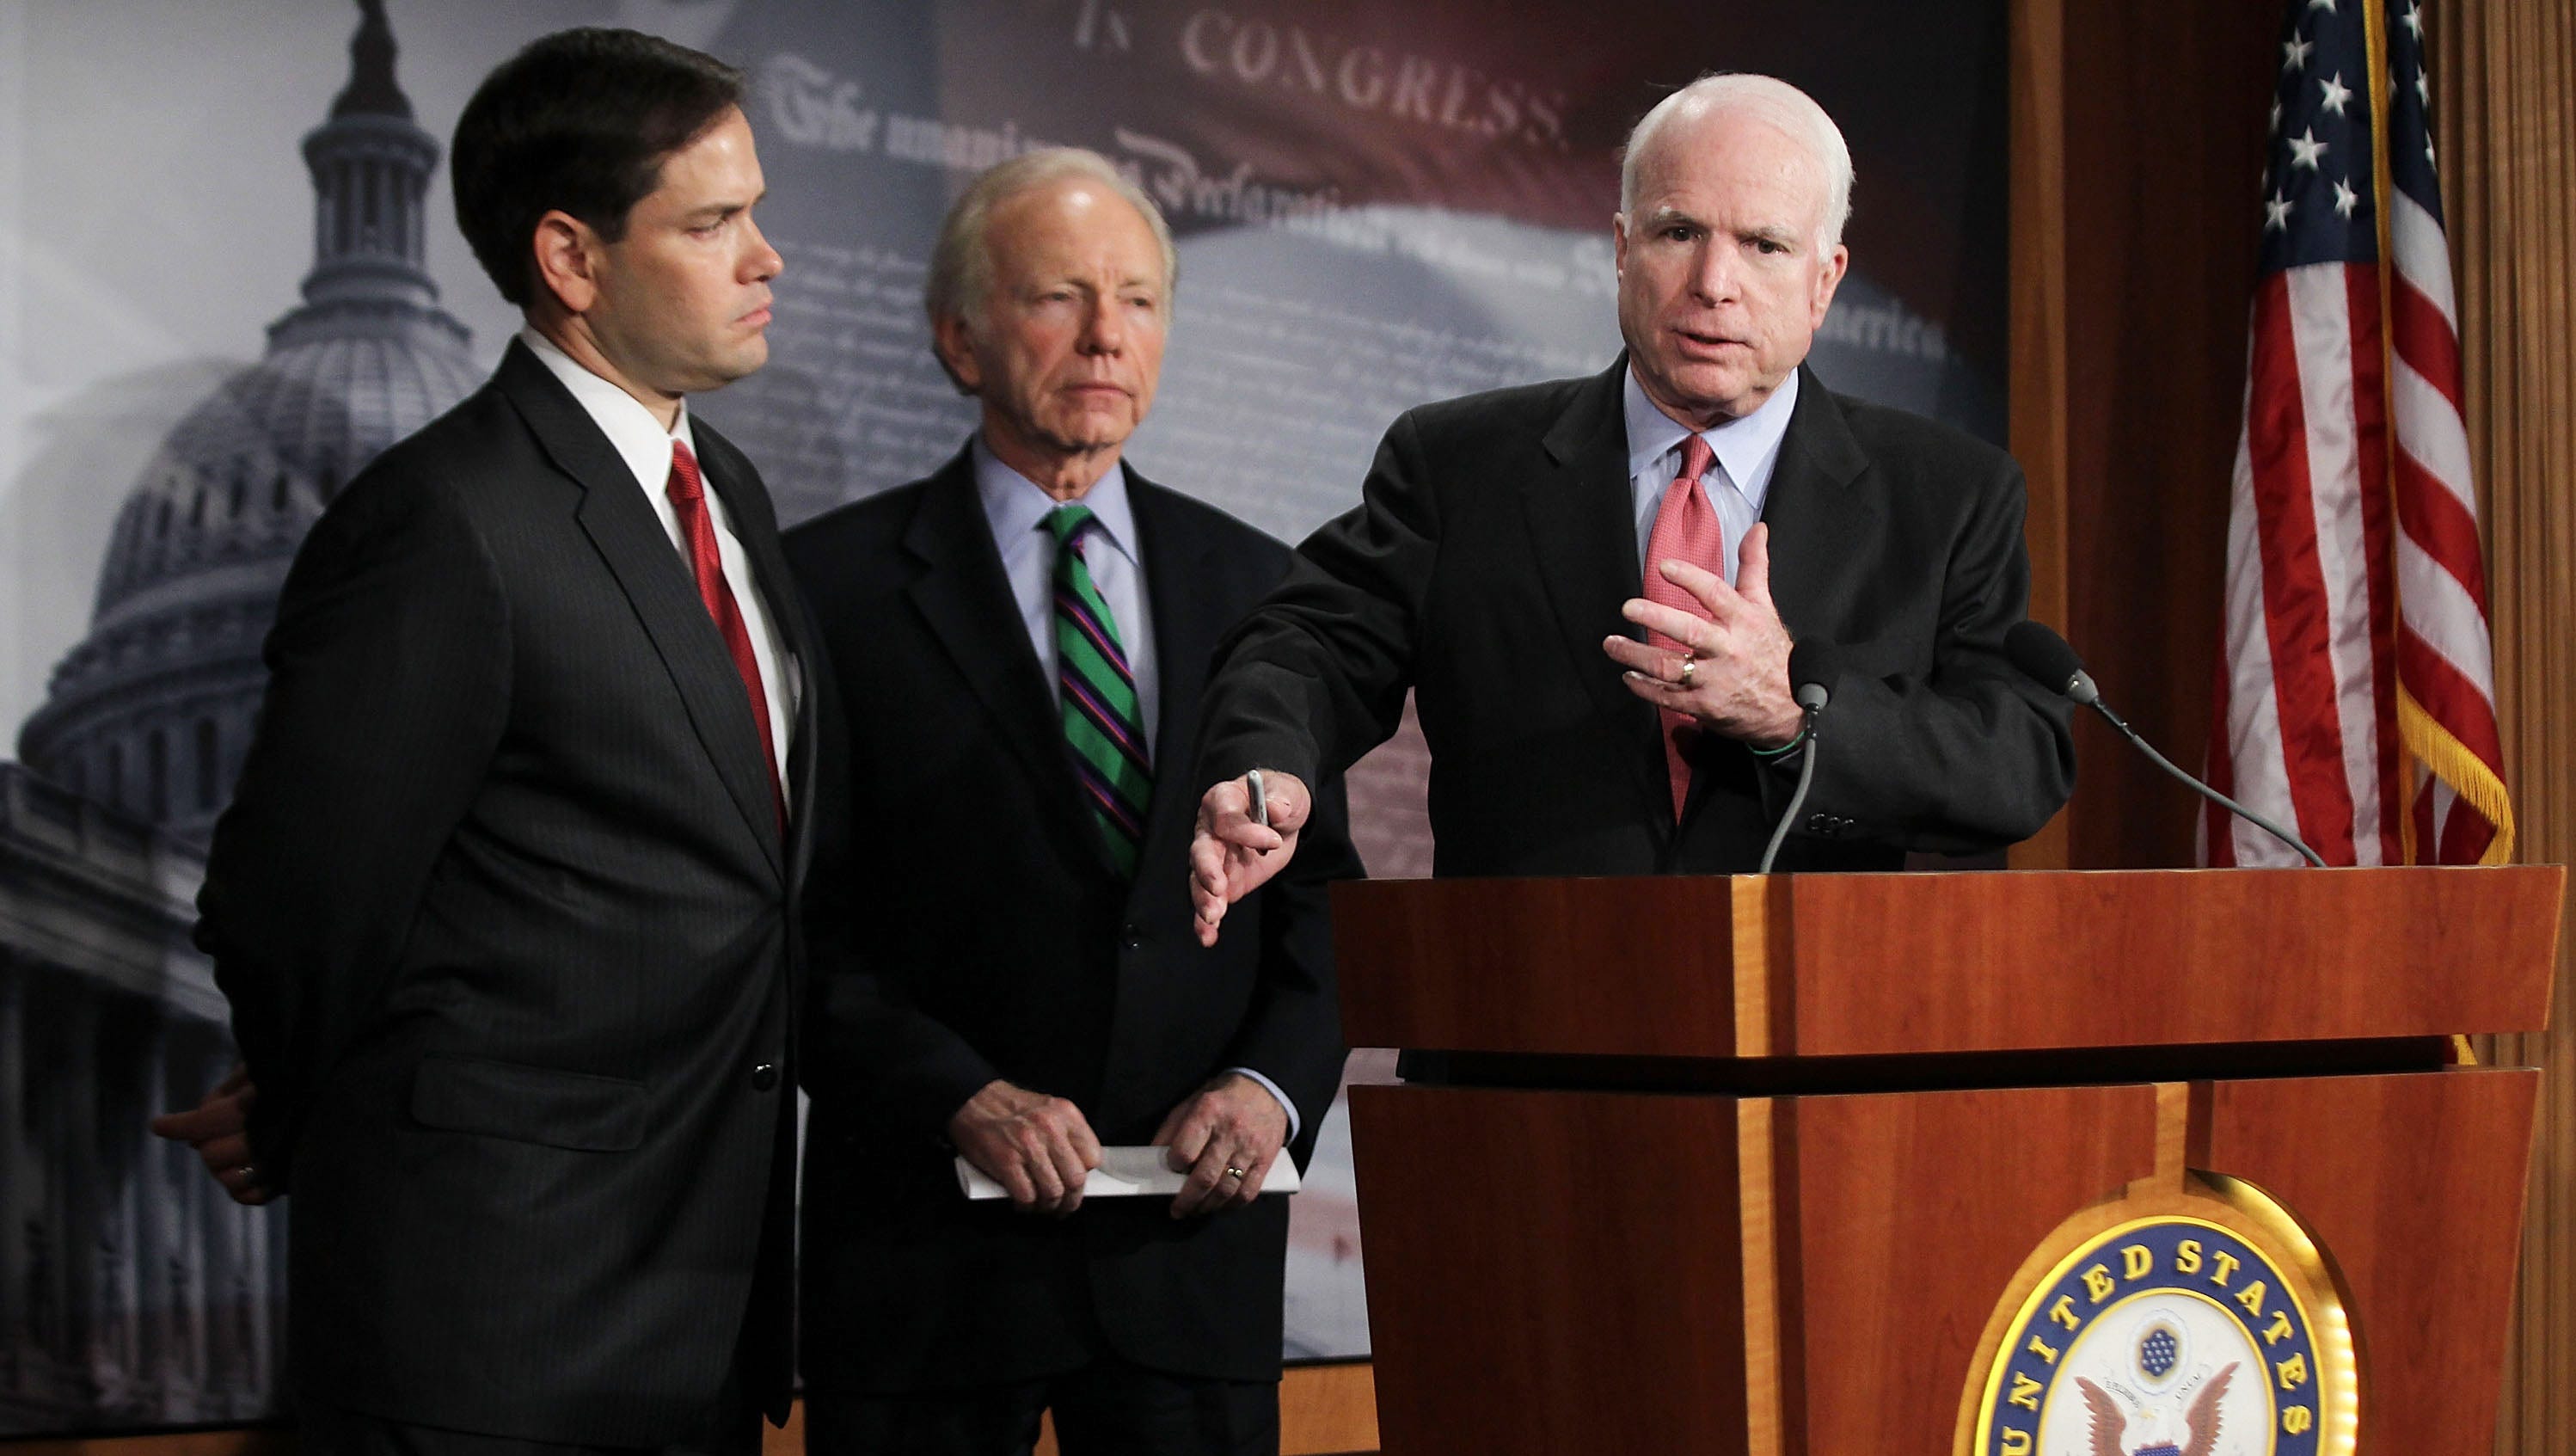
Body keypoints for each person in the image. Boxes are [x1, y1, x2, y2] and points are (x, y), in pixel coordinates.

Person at [175, 28, 810, 1453]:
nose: (766, 257)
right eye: (715, 223)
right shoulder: (441, 519)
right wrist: (310, 1101)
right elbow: (294, 900)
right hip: (496, 1337)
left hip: (700, 1320)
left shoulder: (733, 496)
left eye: (756, 211)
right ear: (571, 260)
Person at [1187, 72, 2073, 938]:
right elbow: (1307, 643)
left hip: (1821, 1048)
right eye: (1677, 230)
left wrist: (1795, 715)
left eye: (1762, 245)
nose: (1713, 281)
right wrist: (1269, 767)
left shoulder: (1949, 495)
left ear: (1823, 278)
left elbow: (2015, 760)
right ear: (1619, 247)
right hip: (1527, 1040)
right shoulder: (1460, 465)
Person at [785, 148, 1357, 1456]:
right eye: (1057, 296)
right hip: (926, 1266)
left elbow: (1323, 903)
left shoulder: (1263, 587)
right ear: (958, 335)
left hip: (1187, 1261)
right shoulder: (827, 588)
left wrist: (1271, 1087)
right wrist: (959, 1092)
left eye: (1140, 300)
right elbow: (788, 923)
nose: (1107, 335)